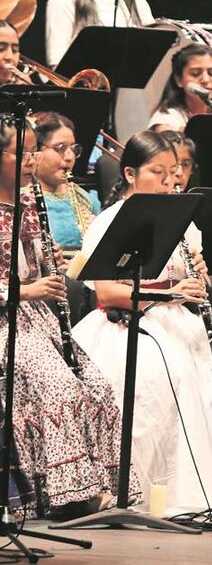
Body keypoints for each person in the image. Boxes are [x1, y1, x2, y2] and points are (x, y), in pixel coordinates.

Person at [71, 131, 212, 515]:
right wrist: (169, 293)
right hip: (128, 323)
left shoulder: (183, 222)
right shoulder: (109, 222)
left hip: (178, 320)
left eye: (175, 172)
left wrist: (198, 280)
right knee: (170, 374)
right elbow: (108, 294)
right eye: (158, 172)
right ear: (131, 174)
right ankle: (162, 494)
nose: (171, 181)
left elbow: (191, 280)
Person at [0, 118, 133, 518]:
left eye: (32, 151)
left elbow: (37, 270)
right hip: (5, 322)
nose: (30, 160)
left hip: (36, 320)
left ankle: (102, 485)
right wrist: (25, 291)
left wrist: (51, 268)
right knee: (59, 387)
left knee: (96, 385)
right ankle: (67, 495)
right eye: (19, 153)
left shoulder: (30, 205)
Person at [30, 111, 100, 252]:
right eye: (60, 148)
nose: (70, 157)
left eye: (73, 148)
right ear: (36, 151)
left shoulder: (87, 200)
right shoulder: (20, 200)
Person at [149, 44, 212, 133]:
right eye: (195, 73)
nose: (205, 80)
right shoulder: (167, 117)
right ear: (179, 80)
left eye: (211, 73)